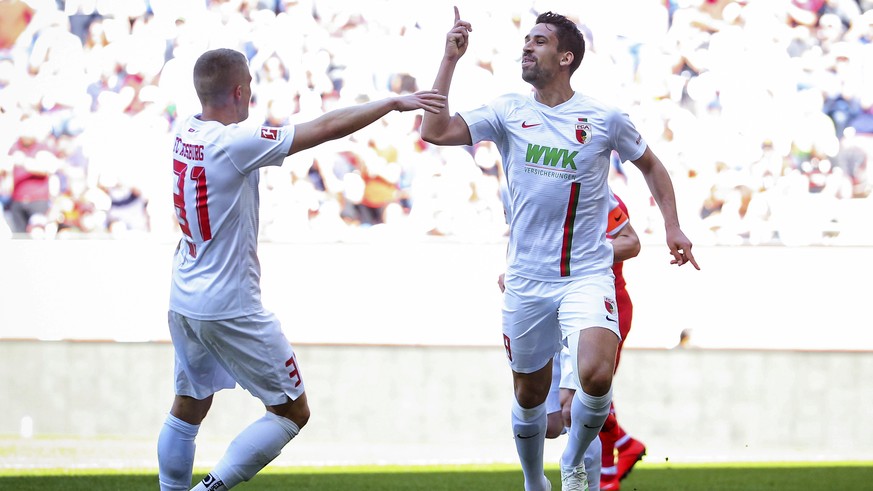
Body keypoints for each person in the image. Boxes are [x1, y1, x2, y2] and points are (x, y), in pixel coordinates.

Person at [421, 9, 699, 491]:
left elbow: (652, 166)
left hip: (586, 275)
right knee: (530, 396)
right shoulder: (508, 110)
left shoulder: (604, 118)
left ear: (566, 57)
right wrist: (449, 60)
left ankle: (574, 461)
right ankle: (534, 482)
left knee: (595, 374)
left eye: (540, 41)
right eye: (526, 40)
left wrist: (673, 227)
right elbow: (435, 131)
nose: (527, 47)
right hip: (527, 278)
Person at [157, 47, 445, 491]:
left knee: (189, 403)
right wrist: (390, 103)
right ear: (239, 90)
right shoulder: (235, 143)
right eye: (250, 86)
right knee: (292, 411)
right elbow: (325, 128)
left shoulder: (185, 132)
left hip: (184, 295)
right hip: (229, 304)